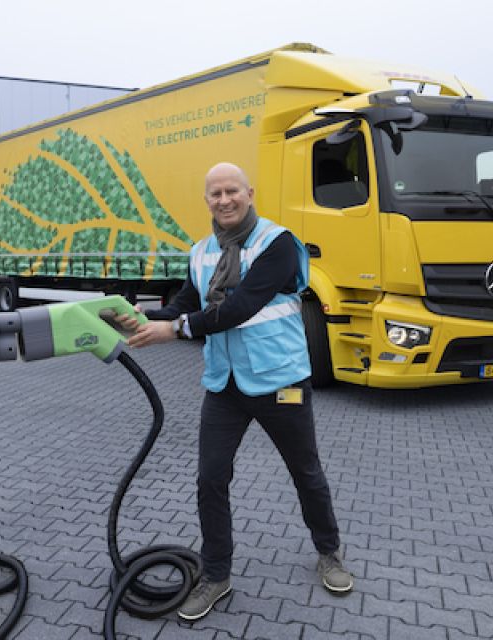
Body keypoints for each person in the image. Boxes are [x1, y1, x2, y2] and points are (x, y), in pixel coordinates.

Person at [116, 162, 353, 621]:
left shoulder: (277, 243)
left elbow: (241, 306)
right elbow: (187, 303)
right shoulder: (201, 251)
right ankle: (217, 575)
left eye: (232, 191)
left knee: (305, 472)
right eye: (215, 194)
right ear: (206, 200)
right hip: (224, 385)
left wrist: (177, 330)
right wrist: (144, 315)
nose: (224, 200)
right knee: (210, 479)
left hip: (280, 381)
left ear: (249, 192)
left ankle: (329, 552)